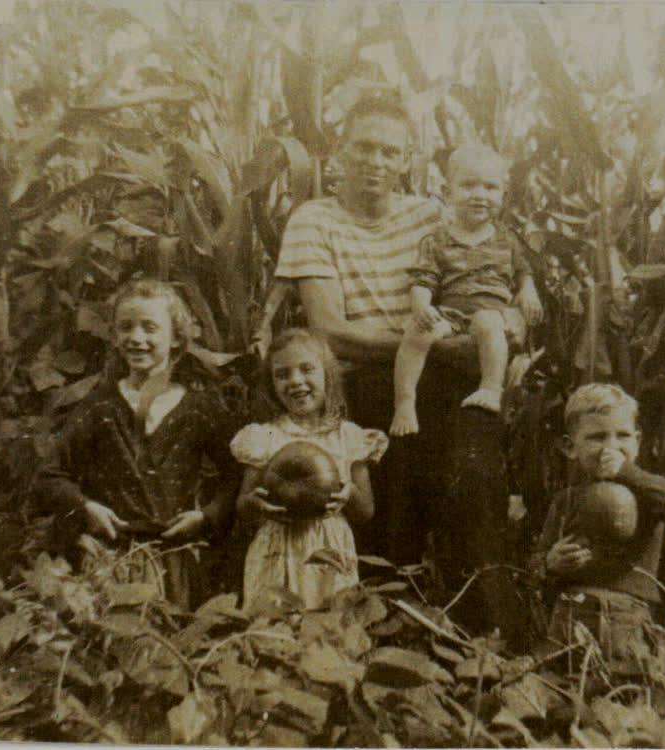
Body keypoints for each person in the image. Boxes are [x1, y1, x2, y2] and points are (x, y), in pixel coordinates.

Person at [274, 92, 538, 635]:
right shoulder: (313, 220)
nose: (375, 162)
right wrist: (430, 344)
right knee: (389, 482)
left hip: (447, 371)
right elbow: (330, 331)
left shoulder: (432, 215)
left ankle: (487, 629)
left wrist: (508, 317)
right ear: (339, 153)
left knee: (475, 473)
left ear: (407, 161)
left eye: (389, 152)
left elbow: (487, 276)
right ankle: (386, 623)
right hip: (365, 377)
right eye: (364, 147)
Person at [35, 278, 243, 609]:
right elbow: (50, 475)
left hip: (175, 563)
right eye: (125, 327)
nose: (136, 337)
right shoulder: (99, 407)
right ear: (115, 337)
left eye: (150, 328)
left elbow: (238, 473)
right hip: (110, 559)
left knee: (172, 635)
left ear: (177, 338)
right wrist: (85, 507)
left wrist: (206, 516)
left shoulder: (200, 409)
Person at [528, 383, 665, 668]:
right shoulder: (565, 500)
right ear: (570, 447)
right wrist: (550, 562)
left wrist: (627, 472)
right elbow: (535, 563)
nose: (611, 447)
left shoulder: (648, 494)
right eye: (597, 437)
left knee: (626, 680)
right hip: (570, 617)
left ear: (637, 442)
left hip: (627, 619)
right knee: (562, 682)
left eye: (622, 436)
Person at [390, 144, 542, 436]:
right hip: (452, 315)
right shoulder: (436, 240)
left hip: (494, 315)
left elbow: (524, 271)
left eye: (490, 187)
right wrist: (421, 306)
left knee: (487, 321)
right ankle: (405, 402)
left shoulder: (507, 238)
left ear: (503, 195)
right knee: (416, 332)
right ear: (447, 193)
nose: (480, 195)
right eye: (468, 185)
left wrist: (528, 291)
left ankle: (491, 388)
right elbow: (424, 279)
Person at [231, 328, 387, 610]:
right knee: (274, 622)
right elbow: (243, 505)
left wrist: (348, 493)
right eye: (282, 374)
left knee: (330, 623)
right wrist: (257, 504)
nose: (295, 381)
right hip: (276, 549)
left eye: (307, 369)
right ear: (271, 385)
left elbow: (366, 510)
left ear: (328, 375)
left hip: (329, 552)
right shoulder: (264, 437)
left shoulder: (347, 437)